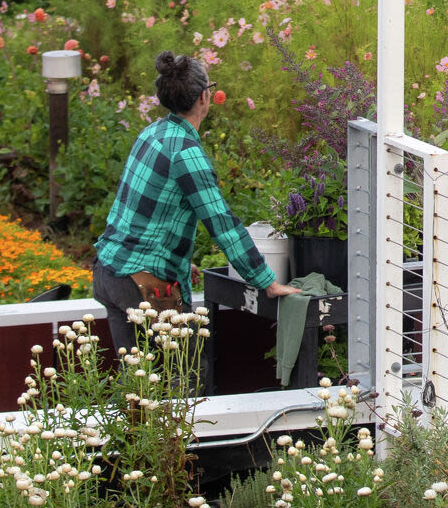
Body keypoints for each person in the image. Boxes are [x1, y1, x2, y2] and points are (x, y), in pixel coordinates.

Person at [90, 51, 296, 353]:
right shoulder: (187, 153)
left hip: (109, 271)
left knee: (136, 385)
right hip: (143, 285)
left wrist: (182, 262)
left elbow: (139, 209)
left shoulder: (151, 133)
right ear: (204, 97)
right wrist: (267, 281)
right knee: (183, 379)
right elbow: (222, 225)